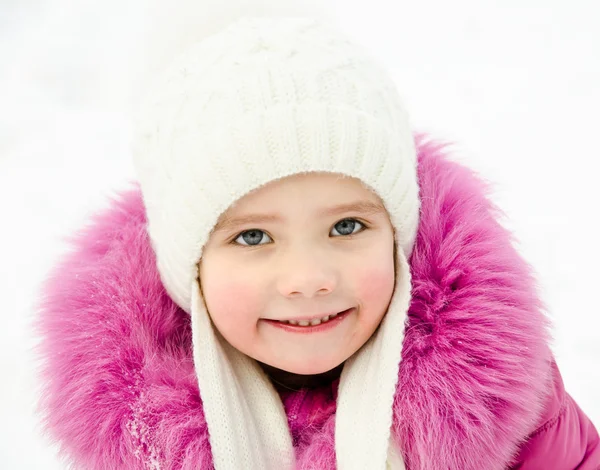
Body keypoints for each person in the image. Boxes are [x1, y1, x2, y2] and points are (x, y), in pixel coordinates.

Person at [33, 16, 599, 470]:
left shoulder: (511, 413)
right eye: (253, 236)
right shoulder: (137, 443)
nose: (307, 277)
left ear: (399, 233)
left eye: (347, 227)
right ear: (190, 266)